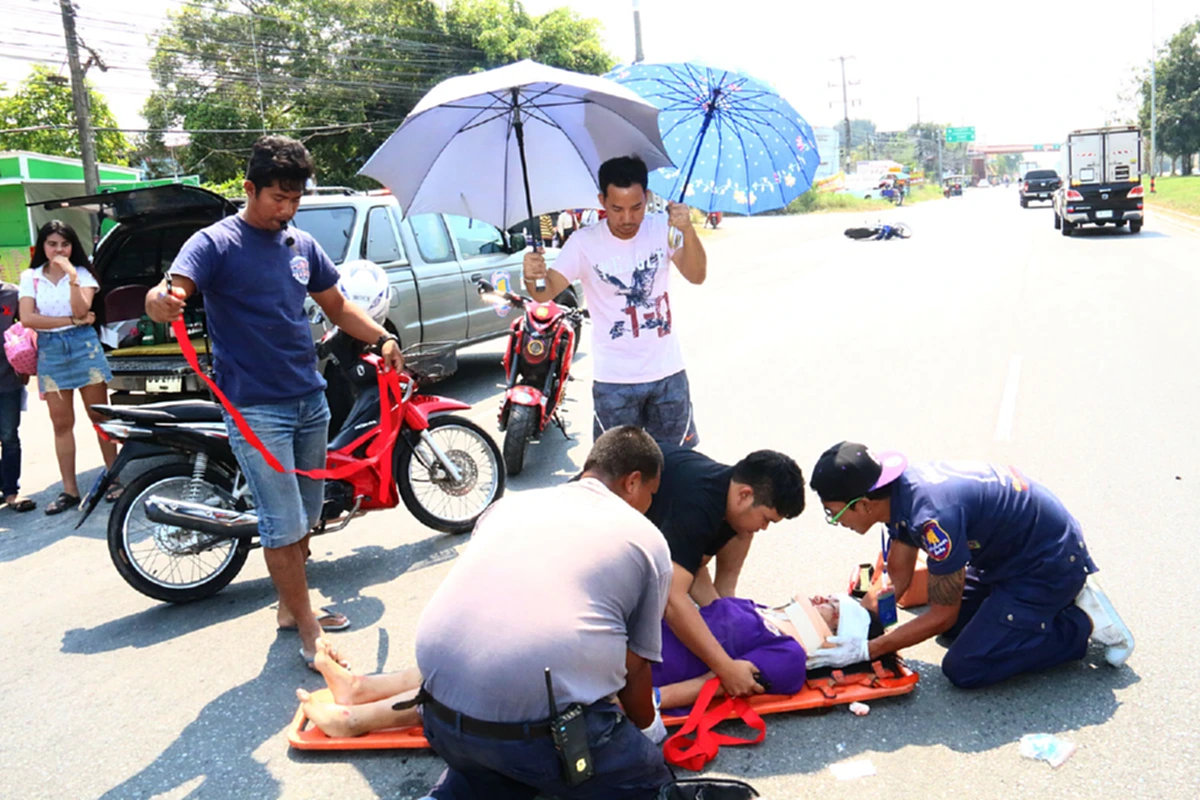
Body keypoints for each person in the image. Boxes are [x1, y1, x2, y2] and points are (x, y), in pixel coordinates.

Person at [144, 135, 404, 668]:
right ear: (249, 189)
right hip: (254, 407)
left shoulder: (301, 246)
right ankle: (309, 631)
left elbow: (339, 307)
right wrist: (161, 302)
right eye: (276, 199)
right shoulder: (214, 244)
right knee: (283, 523)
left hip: (309, 399)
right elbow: (167, 293)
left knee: (308, 514)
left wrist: (381, 337)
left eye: (294, 200)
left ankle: (291, 609)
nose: (285, 210)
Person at [413, 426, 674, 799]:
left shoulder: (509, 506)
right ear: (633, 482)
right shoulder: (645, 540)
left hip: (437, 720)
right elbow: (636, 668)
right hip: (530, 739)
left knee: (492, 772)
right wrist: (650, 736)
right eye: (651, 493)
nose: (650, 504)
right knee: (647, 781)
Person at [295, 593, 874, 738]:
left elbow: (711, 688)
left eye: (833, 605)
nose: (823, 595)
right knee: (484, 656)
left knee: (494, 687)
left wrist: (630, 709)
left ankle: (357, 720)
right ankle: (362, 687)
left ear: (833, 632)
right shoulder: (762, 609)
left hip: (618, 676)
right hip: (609, 642)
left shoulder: (793, 656)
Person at [808, 441, 1135, 688]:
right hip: (1006, 557)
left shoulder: (933, 518)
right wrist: (859, 616)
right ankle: (1031, 613)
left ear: (863, 504)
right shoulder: (896, 495)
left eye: (835, 514)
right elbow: (899, 576)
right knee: (953, 631)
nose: (836, 522)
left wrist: (869, 650)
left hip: (1047, 564)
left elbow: (940, 615)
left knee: (966, 667)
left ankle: (1079, 622)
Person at [522, 156, 707, 449]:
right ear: (601, 201)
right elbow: (544, 292)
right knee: (617, 474)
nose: (627, 219)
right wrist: (532, 276)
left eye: (636, 207)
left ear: (646, 197)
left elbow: (697, 275)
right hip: (614, 381)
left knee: (678, 465)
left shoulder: (662, 228)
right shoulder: (584, 242)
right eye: (616, 209)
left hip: (668, 374)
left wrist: (688, 230)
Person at [647, 446, 806, 698]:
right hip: (590, 540)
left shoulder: (728, 493)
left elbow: (691, 567)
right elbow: (673, 601)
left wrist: (726, 616)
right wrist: (725, 667)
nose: (764, 528)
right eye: (766, 518)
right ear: (745, 494)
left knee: (743, 530)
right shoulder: (697, 507)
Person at [17, 220, 118, 515]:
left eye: (65, 244)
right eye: (52, 244)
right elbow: (27, 319)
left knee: (100, 415)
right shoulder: (31, 277)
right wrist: (72, 322)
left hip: (83, 347)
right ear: (42, 246)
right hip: (51, 350)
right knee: (62, 424)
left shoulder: (84, 274)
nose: (59, 250)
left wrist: (72, 276)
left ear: (73, 246)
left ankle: (114, 479)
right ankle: (69, 490)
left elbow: (81, 310)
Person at [0, 278, 34, 512]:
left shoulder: (13, 294)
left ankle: (11, 491)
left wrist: (26, 366)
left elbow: (28, 327)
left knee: (9, 436)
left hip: (7, 379)